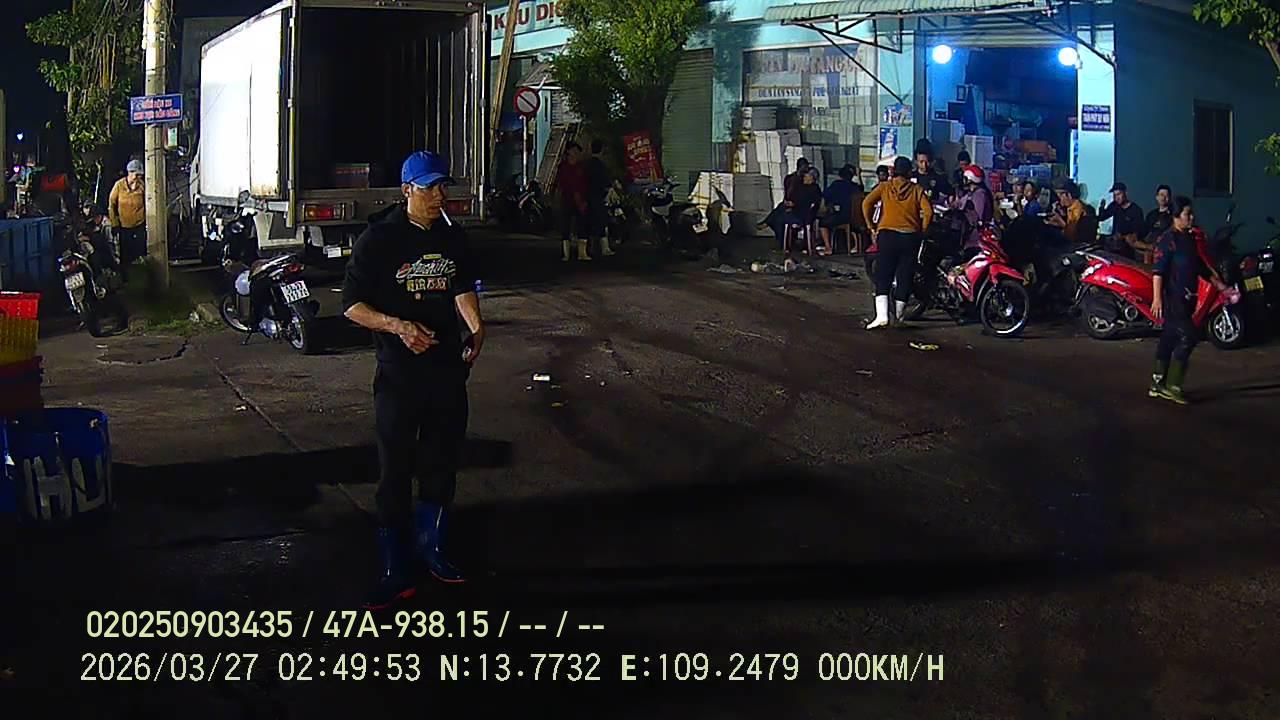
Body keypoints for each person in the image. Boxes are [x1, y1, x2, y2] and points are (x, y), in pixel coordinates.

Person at [342, 150, 485, 607]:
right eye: (429, 188)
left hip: (447, 373)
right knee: (396, 469)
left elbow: (462, 286)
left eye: (442, 186)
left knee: (442, 462)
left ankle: (433, 549)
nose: (438, 195)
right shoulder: (379, 239)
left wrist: (476, 327)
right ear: (407, 190)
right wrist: (399, 326)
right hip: (399, 375)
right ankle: (394, 567)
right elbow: (351, 305)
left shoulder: (452, 236)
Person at [1148, 196, 1227, 404]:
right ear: (1176, 216)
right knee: (1189, 336)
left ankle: (1157, 383)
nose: (1191, 217)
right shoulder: (1167, 240)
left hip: (1188, 297)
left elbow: (1199, 265)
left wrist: (1218, 284)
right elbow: (1158, 271)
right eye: (1187, 214)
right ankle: (1173, 385)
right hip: (1173, 298)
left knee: (1169, 337)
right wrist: (1157, 299)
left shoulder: (1189, 238)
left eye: (1191, 214)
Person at [861, 156, 933, 329]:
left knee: (883, 274)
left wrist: (871, 226)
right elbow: (928, 212)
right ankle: (899, 316)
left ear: (893, 171)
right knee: (904, 275)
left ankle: (882, 316)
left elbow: (866, 204)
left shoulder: (885, 187)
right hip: (910, 237)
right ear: (909, 172)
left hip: (887, 236)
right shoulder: (917, 190)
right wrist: (922, 230)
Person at [108, 159, 146, 281]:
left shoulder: (142, 186)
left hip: (139, 224)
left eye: (140, 175)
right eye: (136, 175)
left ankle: (141, 276)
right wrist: (114, 223)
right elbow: (111, 204)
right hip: (124, 226)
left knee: (140, 250)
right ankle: (125, 278)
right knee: (125, 254)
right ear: (130, 172)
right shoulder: (119, 185)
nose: (138, 177)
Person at [556, 143, 592, 261]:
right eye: (574, 151)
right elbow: (564, 184)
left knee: (583, 226)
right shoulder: (563, 167)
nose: (576, 154)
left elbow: (585, 184)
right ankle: (566, 253)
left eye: (578, 152)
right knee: (566, 226)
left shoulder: (582, 167)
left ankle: (582, 253)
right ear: (568, 152)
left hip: (581, 200)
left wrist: (583, 200)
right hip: (568, 200)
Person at [777, 167, 822, 250]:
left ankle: (785, 244)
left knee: (780, 217)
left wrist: (793, 204)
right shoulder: (801, 187)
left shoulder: (813, 189)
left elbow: (806, 202)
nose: (804, 178)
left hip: (803, 214)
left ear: (812, 178)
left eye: (806, 176)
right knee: (780, 210)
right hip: (797, 211)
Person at [951, 165, 994, 250]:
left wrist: (966, 211)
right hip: (969, 233)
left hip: (975, 238)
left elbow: (978, 218)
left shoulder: (979, 194)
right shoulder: (971, 193)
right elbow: (959, 203)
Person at [819, 165, 860, 254]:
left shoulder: (836, 185)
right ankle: (856, 246)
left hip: (841, 216)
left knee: (822, 223)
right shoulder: (856, 187)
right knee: (854, 227)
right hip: (856, 217)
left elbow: (825, 196)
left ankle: (828, 247)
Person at [1098, 182, 1145, 257]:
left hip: (1128, 246)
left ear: (1125, 193)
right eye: (1114, 195)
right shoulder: (1114, 206)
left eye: (1119, 194)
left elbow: (1138, 232)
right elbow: (1102, 218)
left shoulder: (1135, 210)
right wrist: (1102, 207)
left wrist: (1124, 237)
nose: (1116, 197)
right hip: (1114, 244)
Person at [585, 140, 615, 257]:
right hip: (599, 197)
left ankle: (589, 248)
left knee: (589, 223)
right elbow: (606, 182)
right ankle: (604, 248)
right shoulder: (601, 166)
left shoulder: (586, 165)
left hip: (587, 197)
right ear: (601, 150)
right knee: (601, 222)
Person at [1047, 180, 1094, 245]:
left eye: (1060, 196)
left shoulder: (1078, 209)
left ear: (1069, 195)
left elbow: (1071, 235)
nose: (1059, 199)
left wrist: (1060, 221)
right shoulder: (1070, 208)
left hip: (1079, 246)